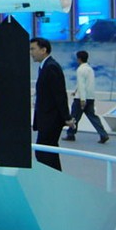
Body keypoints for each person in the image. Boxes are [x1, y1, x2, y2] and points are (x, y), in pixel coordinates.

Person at [29, 37, 75, 171]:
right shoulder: (44, 67)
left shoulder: (51, 67)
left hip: (51, 119)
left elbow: (59, 94)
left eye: (33, 49)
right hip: (46, 118)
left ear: (43, 50)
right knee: (45, 153)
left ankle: (55, 177)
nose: (31, 52)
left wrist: (67, 117)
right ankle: (54, 177)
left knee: (45, 153)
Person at [65, 51, 110, 144]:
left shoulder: (80, 70)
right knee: (93, 117)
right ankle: (103, 134)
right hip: (90, 97)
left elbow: (82, 85)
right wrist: (76, 91)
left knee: (74, 116)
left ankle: (71, 134)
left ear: (79, 59)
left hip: (80, 99)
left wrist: (82, 99)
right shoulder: (90, 69)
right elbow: (85, 83)